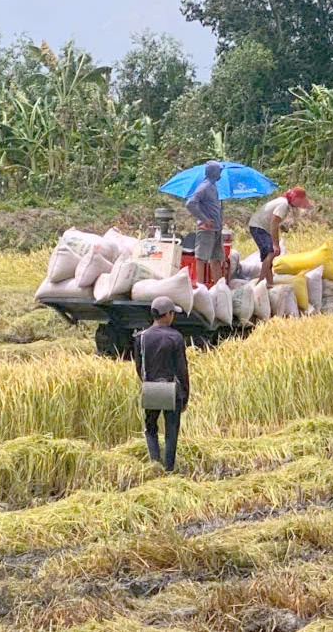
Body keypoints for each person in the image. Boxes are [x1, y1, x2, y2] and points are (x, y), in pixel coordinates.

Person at [134, 297, 190, 472]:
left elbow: (139, 366)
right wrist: (185, 395)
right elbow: (182, 369)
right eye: (173, 313)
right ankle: (169, 468)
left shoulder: (141, 337)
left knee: (151, 427)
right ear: (168, 314)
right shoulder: (176, 337)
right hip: (172, 389)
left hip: (150, 386)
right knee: (171, 430)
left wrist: (146, 384)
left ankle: (154, 463)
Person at [249, 186, 313, 285]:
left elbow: (275, 224)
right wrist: (275, 244)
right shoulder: (283, 204)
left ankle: (269, 283)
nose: (300, 204)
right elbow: (274, 223)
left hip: (261, 227)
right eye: (300, 201)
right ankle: (260, 281)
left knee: (268, 255)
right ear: (295, 198)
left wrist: (277, 241)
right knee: (270, 253)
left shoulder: (283, 202)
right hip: (258, 226)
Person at [186, 161, 225, 283]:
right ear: (214, 172)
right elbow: (190, 204)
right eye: (219, 171)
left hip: (216, 228)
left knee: (216, 258)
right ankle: (200, 285)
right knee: (201, 258)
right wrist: (204, 219)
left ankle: (219, 285)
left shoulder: (213, 186)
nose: (220, 173)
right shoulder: (204, 187)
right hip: (206, 229)